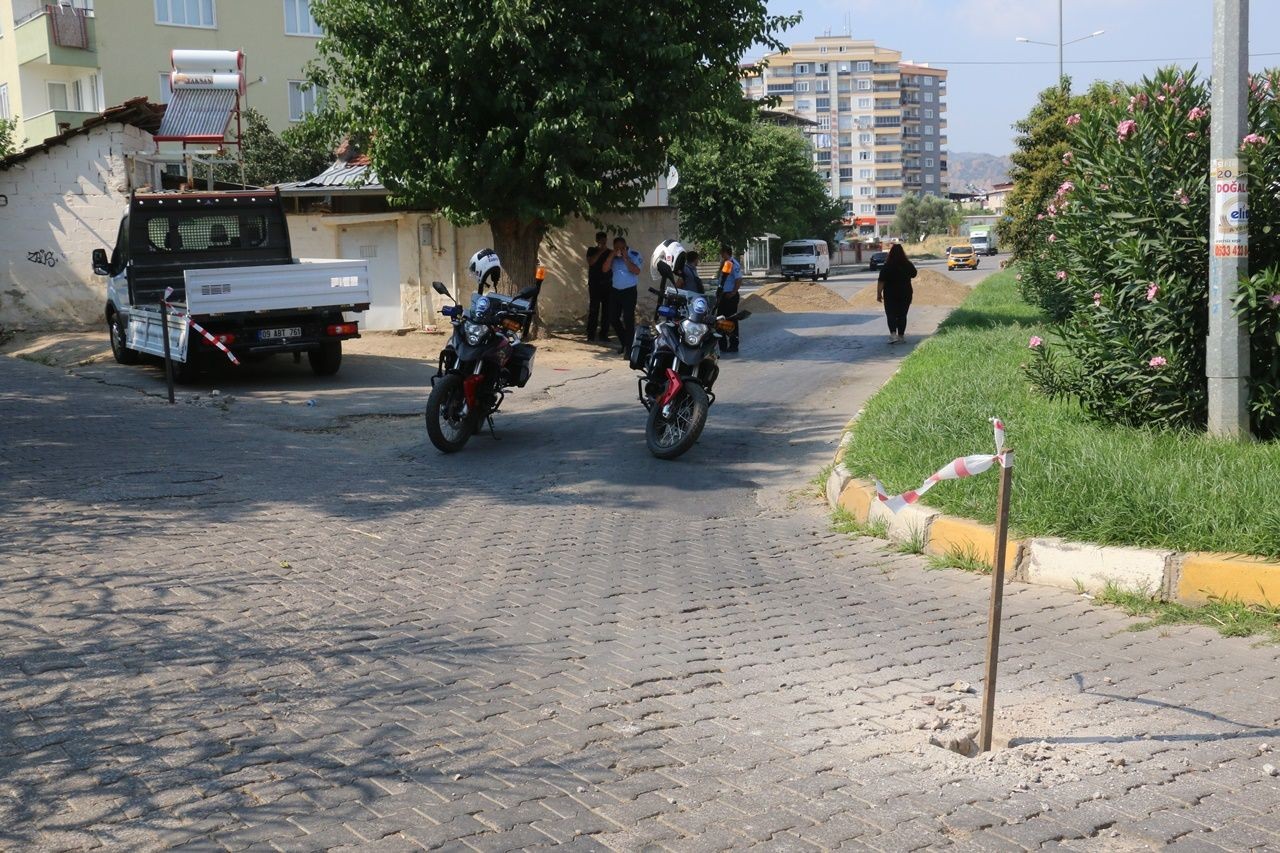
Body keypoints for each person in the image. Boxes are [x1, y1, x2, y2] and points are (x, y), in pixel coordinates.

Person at [602, 236, 644, 356]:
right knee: (613, 318)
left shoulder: (634, 255)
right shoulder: (612, 256)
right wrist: (612, 255)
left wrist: (625, 257)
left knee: (628, 319)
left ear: (625, 246)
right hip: (615, 290)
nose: (619, 250)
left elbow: (636, 271)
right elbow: (604, 269)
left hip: (629, 291)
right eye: (616, 248)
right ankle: (625, 342)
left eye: (621, 247)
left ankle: (629, 350)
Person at [876, 242, 917, 344]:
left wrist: (878, 294)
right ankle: (901, 336)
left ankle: (893, 335)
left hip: (890, 294)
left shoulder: (887, 266)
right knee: (902, 315)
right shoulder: (908, 264)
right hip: (905, 293)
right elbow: (914, 274)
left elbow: (881, 281)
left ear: (891, 253)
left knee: (891, 314)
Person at [584, 231, 612, 344]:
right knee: (594, 309)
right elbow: (591, 262)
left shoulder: (610, 252)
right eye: (601, 241)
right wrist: (600, 251)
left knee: (607, 310)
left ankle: (604, 334)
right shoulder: (592, 250)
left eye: (604, 241)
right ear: (597, 241)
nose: (603, 243)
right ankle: (591, 334)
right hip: (595, 284)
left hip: (607, 284)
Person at [717, 245, 743, 353]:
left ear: (726, 253)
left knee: (731, 320)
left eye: (722, 253)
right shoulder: (724, 264)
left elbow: (738, 279)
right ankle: (722, 344)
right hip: (723, 296)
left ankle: (733, 344)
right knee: (720, 320)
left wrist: (733, 293)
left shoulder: (733, 264)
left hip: (730, 297)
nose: (721, 255)